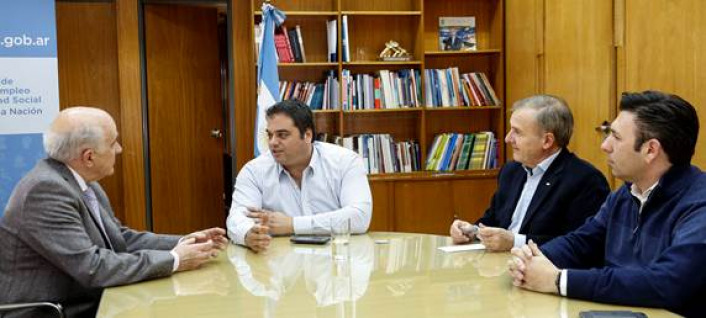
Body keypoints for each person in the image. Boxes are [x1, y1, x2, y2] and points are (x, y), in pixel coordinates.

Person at [0, 107, 227, 318]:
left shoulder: (80, 181)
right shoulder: (46, 191)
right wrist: (175, 259)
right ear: (88, 157)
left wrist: (184, 241)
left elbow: (119, 238)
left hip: (88, 299)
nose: (119, 149)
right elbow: (93, 267)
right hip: (54, 311)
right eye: (113, 143)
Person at [508, 91, 706, 317]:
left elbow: (666, 283)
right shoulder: (625, 194)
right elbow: (581, 242)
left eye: (616, 137)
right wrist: (531, 259)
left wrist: (560, 280)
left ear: (650, 150)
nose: (605, 146)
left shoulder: (699, 204)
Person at [450, 95, 610, 251]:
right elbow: (493, 220)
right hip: (498, 265)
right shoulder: (511, 171)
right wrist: (471, 230)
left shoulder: (585, 180)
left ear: (547, 141)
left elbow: (581, 245)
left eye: (517, 132)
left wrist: (516, 242)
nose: (507, 139)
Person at [227, 100, 372, 252]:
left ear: (307, 135)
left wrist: (292, 224)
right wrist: (248, 234)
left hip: (335, 262)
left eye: (282, 135)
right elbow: (237, 218)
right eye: (270, 135)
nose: (272, 143)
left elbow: (359, 217)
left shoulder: (345, 162)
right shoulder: (254, 171)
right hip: (281, 266)